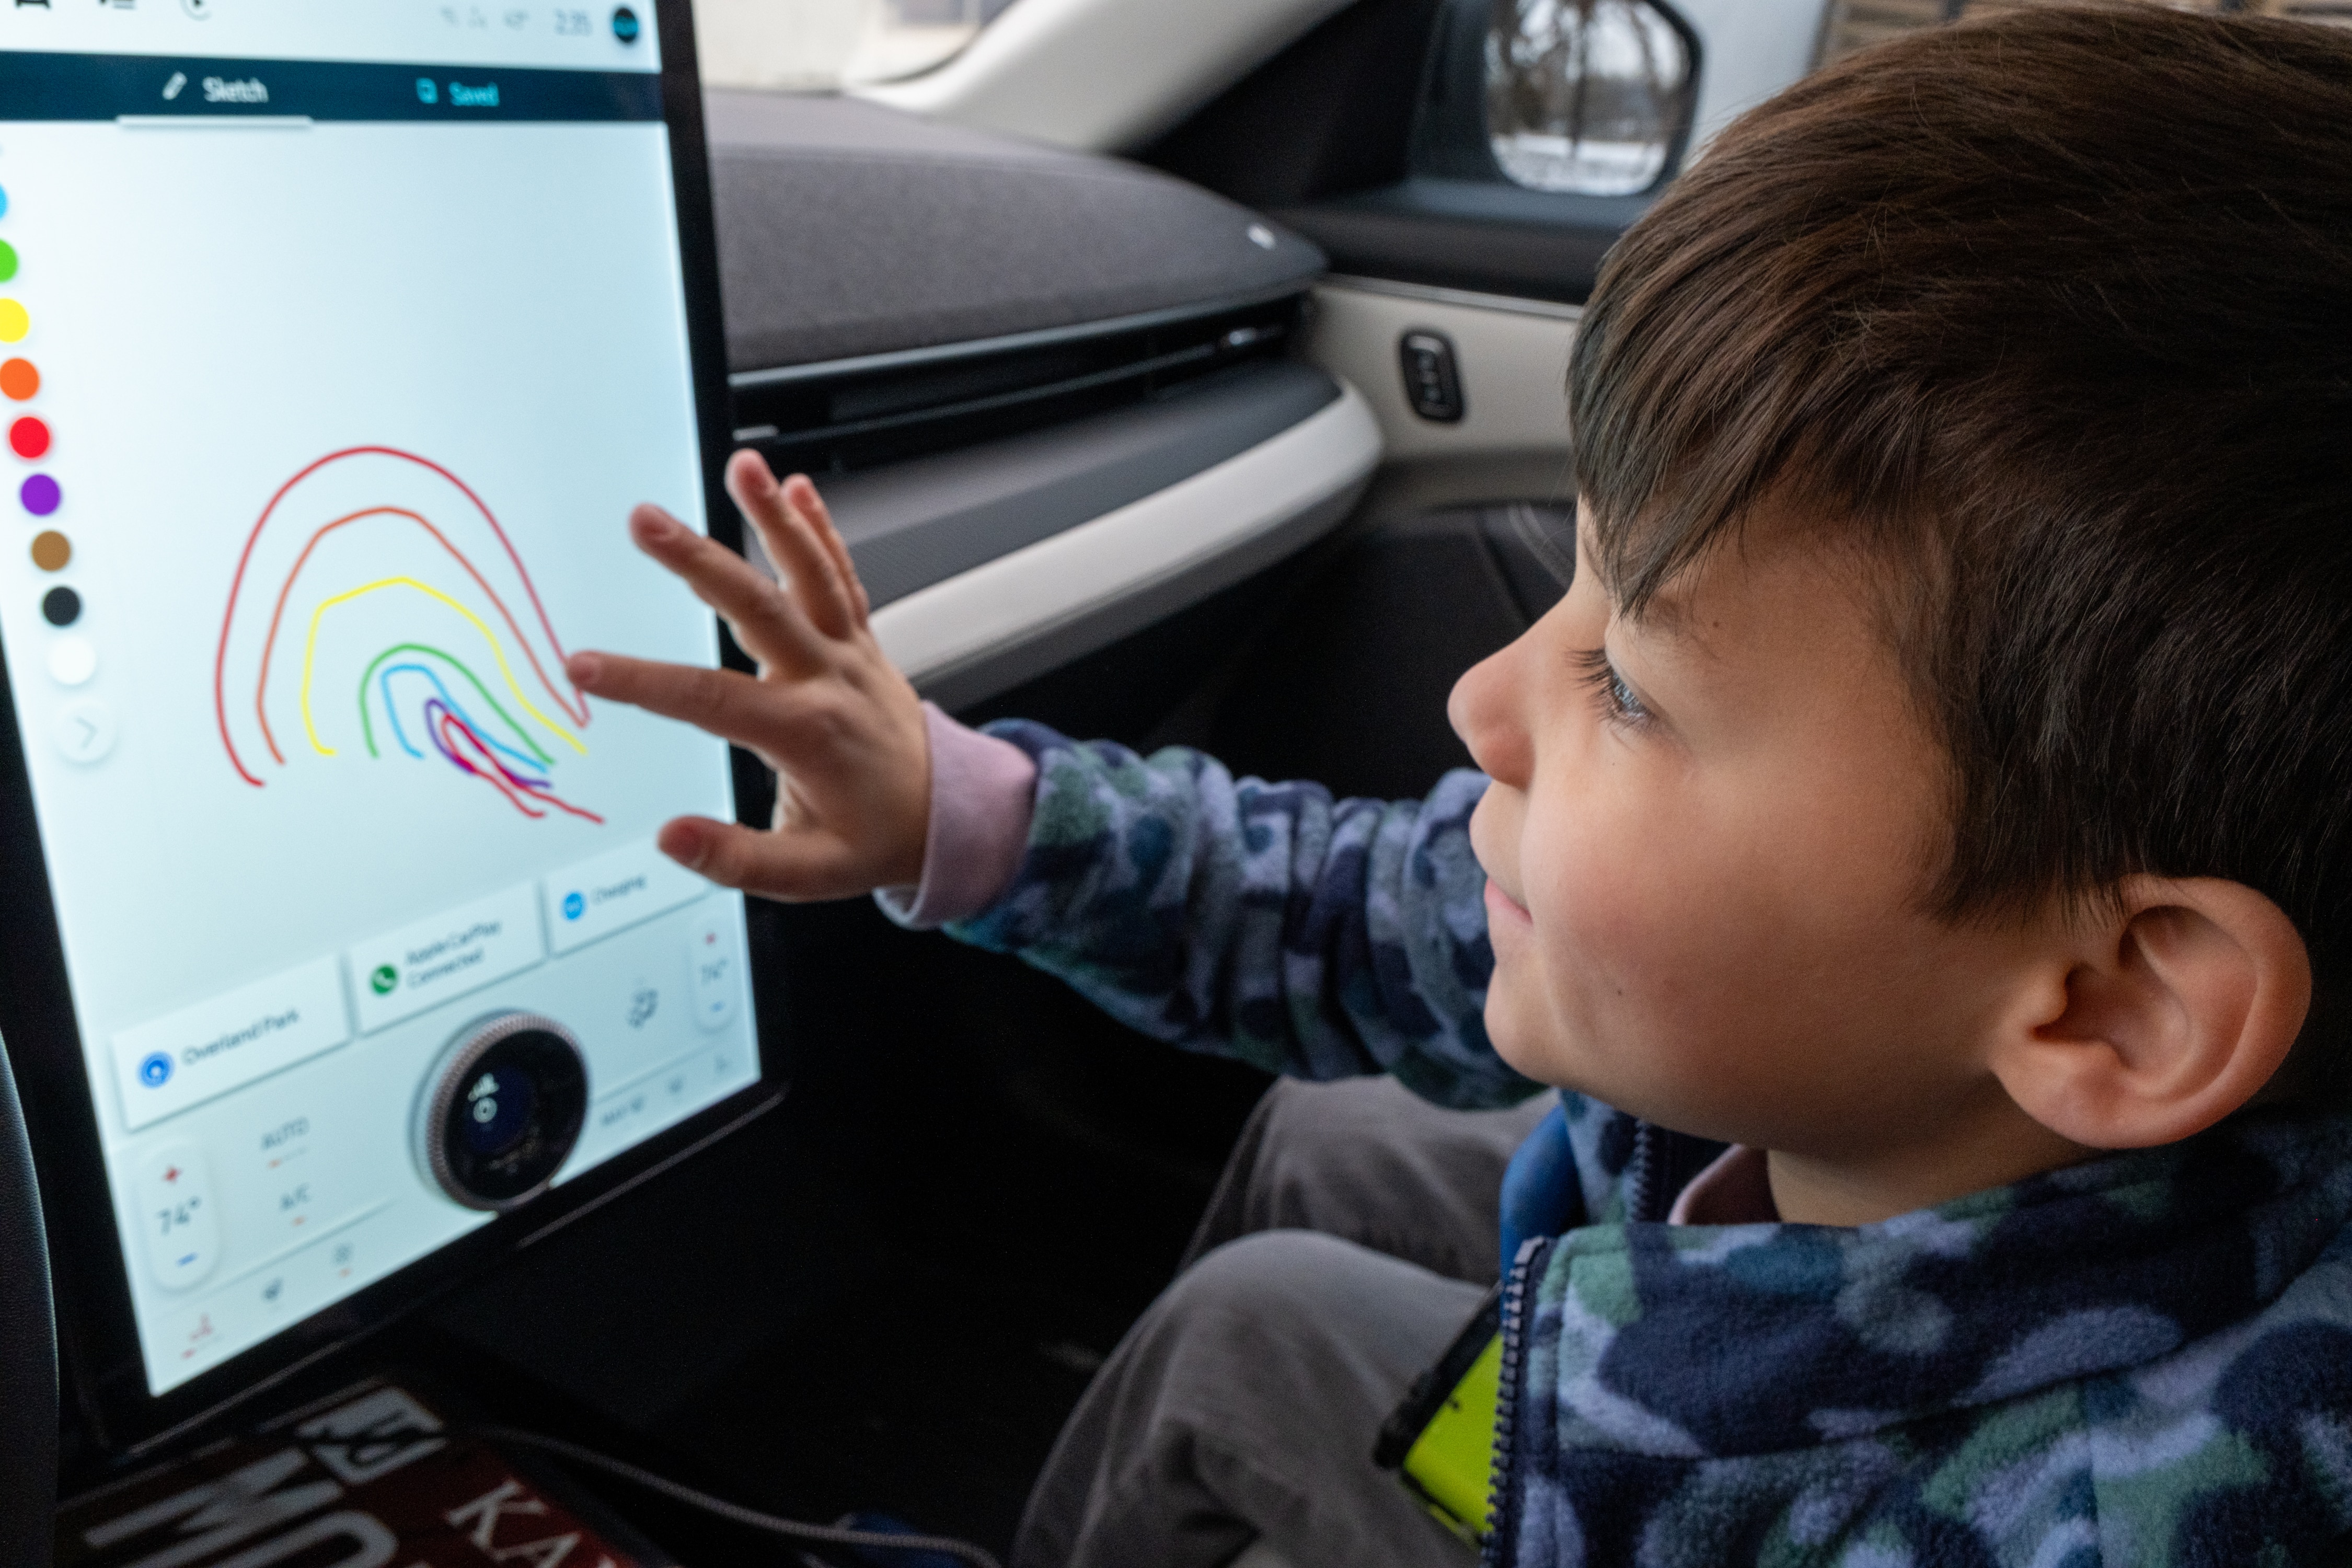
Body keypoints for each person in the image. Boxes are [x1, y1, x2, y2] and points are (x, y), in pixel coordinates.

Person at [565, 6, 2352, 1564]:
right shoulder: (1882, 1036)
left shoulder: (2122, 1515)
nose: (1485, 698)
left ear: (2114, 1005)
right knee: (1337, 1126)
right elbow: (1357, 907)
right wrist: (959, 811)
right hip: (1745, 1353)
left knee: (1242, 1335)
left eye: (1630, 690)